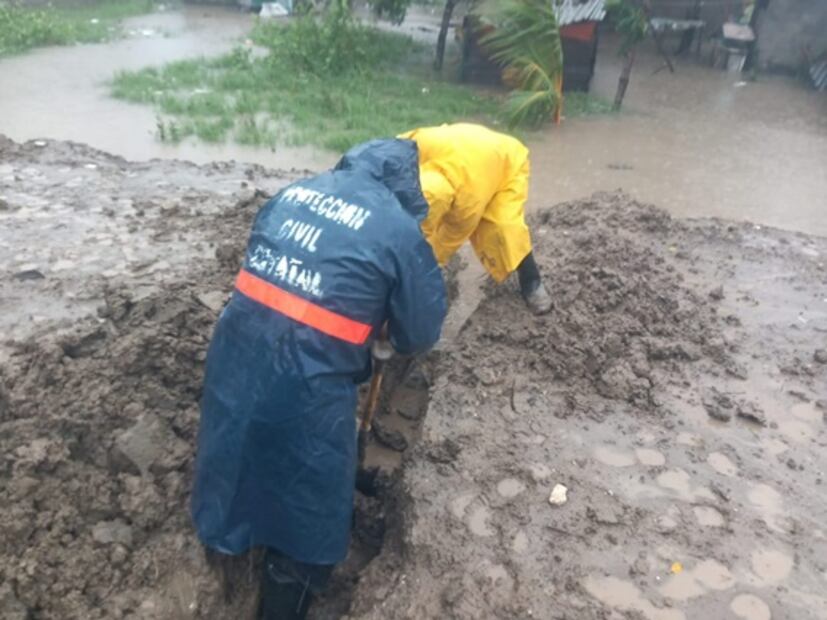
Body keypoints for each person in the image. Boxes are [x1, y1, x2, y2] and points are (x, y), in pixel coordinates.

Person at [191, 139, 447, 620]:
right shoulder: (398, 230)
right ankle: (287, 592)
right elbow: (422, 331)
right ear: (403, 188)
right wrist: (385, 335)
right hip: (308, 381)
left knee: (235, 450)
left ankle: (228, 541)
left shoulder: (292, 193)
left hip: (234, 357)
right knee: (309, 504)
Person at [398, 123, 552, 315]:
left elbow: (445, 243)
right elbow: (389, 151)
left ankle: (531, 282)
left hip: (505, 162)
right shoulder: (421, 144)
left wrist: (417, 271)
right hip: (465, 148)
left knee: (504, 227)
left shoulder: (466, 210)